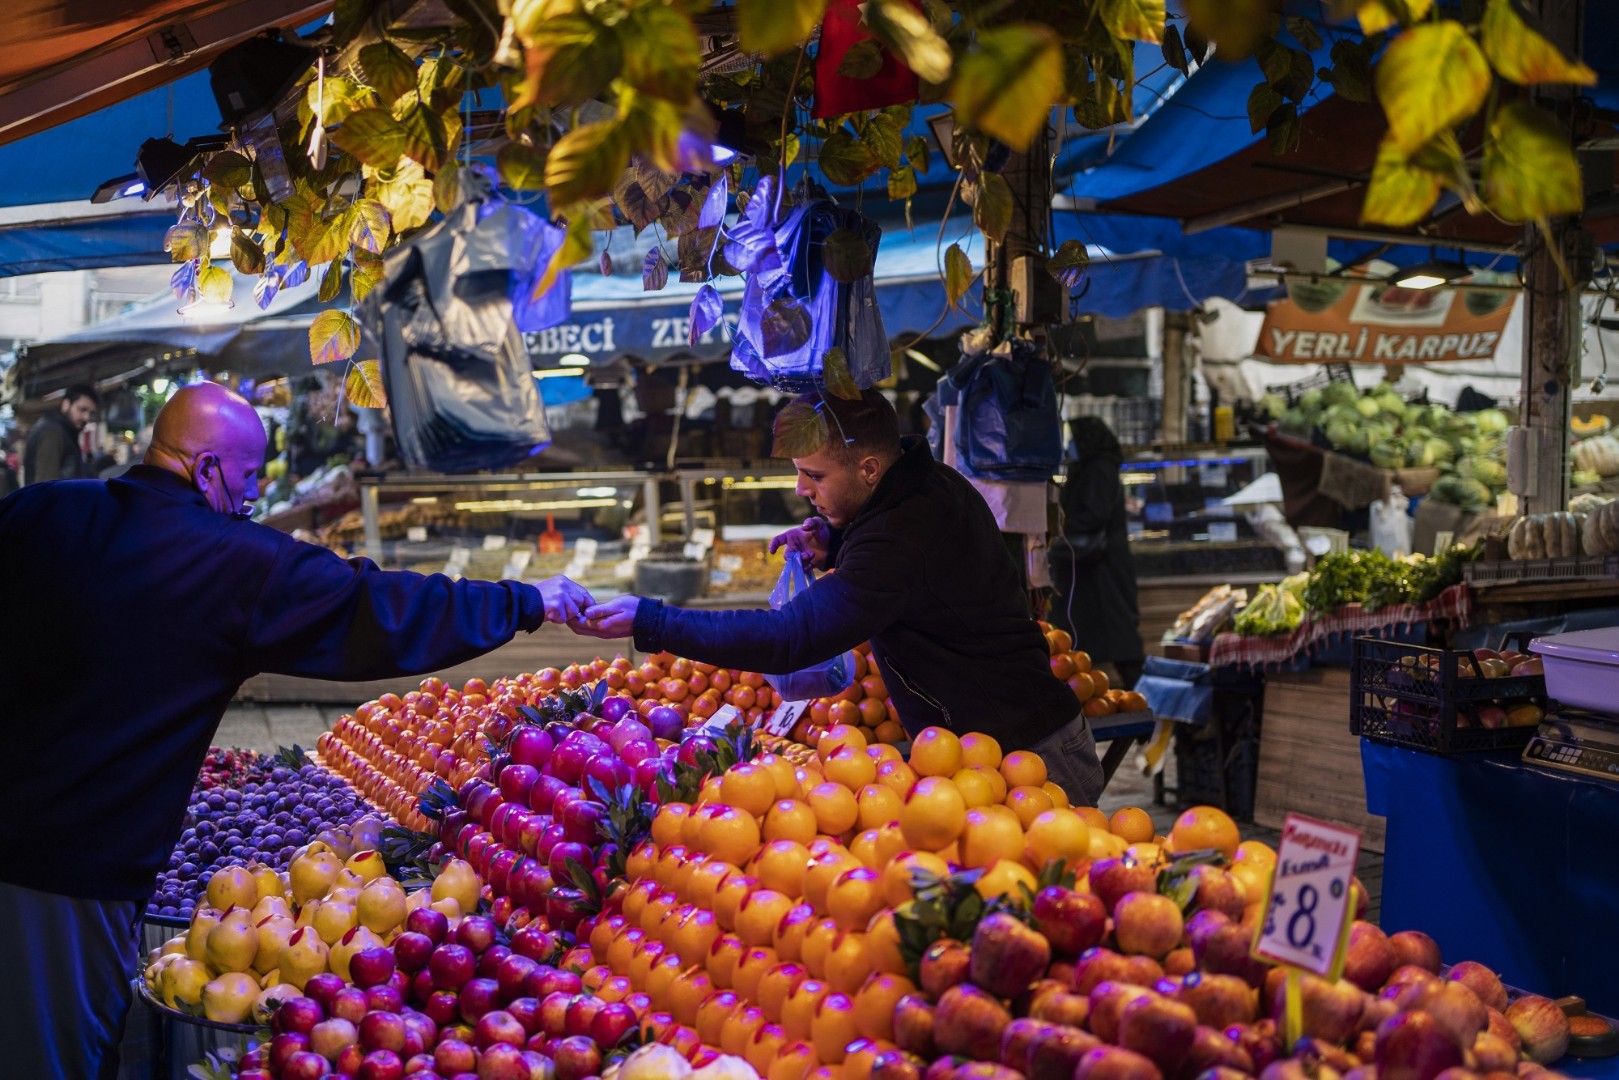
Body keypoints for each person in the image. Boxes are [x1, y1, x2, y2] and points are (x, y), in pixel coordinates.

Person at [0, 382, 593, 1080]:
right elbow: (378, 607)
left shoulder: (40, 510)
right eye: (248, 480)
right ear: (209, 467)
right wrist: (526, 600)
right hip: (66, 870)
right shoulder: (233, 561)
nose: (251, 499)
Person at [578, 388, 1104, 804]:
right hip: (985, 750)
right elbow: (909, 565)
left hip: (1028, 754)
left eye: (814, 475)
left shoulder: (902, 534)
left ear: (869, 468)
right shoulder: (922, 485)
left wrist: (652, 620)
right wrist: (833, 543)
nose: (801, 491)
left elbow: (791, 638)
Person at [1049, 417, 1145, 691]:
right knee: (1106, 641)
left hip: (1103, 572)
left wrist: (1060, 528)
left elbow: (1093, 515)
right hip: (1091, 570)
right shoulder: (1089, 467)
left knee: (1120, 643)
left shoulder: (1099, 468)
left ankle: (1150, 705)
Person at [23, 383, 98, 483]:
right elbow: (46, 486)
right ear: (66, 405)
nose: (86, 417)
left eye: (91, 413)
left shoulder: (66, 432)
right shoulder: (52, 432)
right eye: (82, 409)